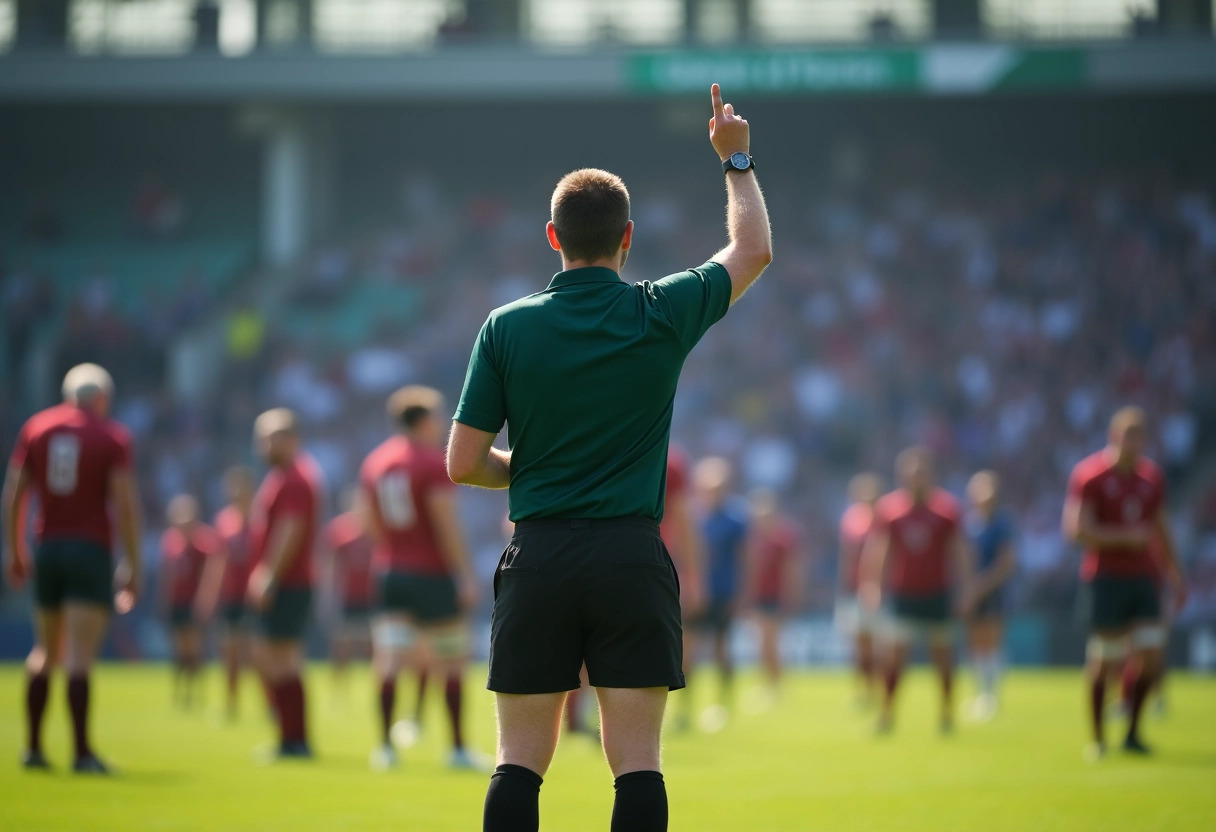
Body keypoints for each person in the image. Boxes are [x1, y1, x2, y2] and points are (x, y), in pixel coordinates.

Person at [447, 82, 771, 832]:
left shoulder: (506, 326)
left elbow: (462, 463)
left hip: (539, 554)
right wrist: (737, 158)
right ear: (627, 238)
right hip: (631, 554)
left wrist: (520, 470)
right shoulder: (659, 311)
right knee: (638, 764)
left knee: (518, 762)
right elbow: (752, 250)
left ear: (552, 237)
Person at [2, 363, 142, 773]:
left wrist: (15, 549)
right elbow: (125, 505)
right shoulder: (111, 436)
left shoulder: (37, 428)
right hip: (89, 549)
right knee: (78, 653)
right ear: (101, 398)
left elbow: (14, 494)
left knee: (43, 650)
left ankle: (32, 747)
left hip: (47, 547)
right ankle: (81, 752)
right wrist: (132, 562)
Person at [361, 386, 479, 770]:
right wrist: (464, 574)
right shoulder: (430, 463)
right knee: (452, 659)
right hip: (431, 572)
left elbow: (370, 523)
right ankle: (458, 749)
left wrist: (391, 554)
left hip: (391, 571)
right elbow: (446, 523)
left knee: (390, 659)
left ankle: (385, 748)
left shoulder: (376, 463)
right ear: (425, 420)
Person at [1062, 407, 1187, 759]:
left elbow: (1161, 528)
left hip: (1144, 577)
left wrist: (1176, 573)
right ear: (1113, 436)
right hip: (1105, 579)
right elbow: (1075, 530)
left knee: (1149, 655)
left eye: (1140, 435)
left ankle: (1133, 732)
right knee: (1105, 659)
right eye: (1127, 434)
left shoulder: (1151, 478)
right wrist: (1124, 538)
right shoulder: (1090, 475)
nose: (1134, 441)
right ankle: (1098, 738)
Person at [860, 448, 972, 735]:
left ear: (930, 474)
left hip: (937, 593)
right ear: (902, 476)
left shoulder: (947, 509)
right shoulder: (890, 510)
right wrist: (873, 586)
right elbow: (880, 551)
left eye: (920, 472)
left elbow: (960, 552)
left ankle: (946, 715)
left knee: (943, 657)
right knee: (894, 657)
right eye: (910, 473)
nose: (915, 478)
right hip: (903, 594)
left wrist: (965, 589)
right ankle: (887, 714)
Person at [246, 408, 324, 759]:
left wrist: (268, 575)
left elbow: (289, 530)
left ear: (292, 439)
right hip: (289, 581)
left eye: (271, 436)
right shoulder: (285, 476)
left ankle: (295, 740)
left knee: (283, 659)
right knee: (275, 658)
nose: (263, 444)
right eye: (260, 437)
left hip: (290, 582)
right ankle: (291, 738)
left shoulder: (294, 478)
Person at [690, 457, 749, 728]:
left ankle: (724, 704)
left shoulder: (736, 520)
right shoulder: (692, 516)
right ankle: (684, 708)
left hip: (723, 592)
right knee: (684, 651)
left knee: (721, 649)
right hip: (693, 593)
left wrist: (741, 594)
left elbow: (745, 559)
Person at [197, 466, 258, 718]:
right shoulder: (224, 522)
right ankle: (231, 703)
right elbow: (216, 562)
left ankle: (270, 704)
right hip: (230, 597)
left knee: (257, 654)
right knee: (229, 652)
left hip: (253, 597)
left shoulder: (260, 519)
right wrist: (208, 595)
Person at [963, 470, 1017, 722]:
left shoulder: (1002, 523)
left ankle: (992, 696)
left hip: (992, 591)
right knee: (976, 644)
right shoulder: (969, 523)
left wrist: (979, 587)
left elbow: (1006, 564)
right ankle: (981, 695)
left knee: (992, 642)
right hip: (972, 591)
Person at [160, 494, 219, 709]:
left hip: (193, 603)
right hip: (177, 602)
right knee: (179, 650)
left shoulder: (204, 543)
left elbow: (210, 575)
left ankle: (196, 694)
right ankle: (179, 693)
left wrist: (205, 600)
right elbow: (168, 575)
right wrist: (165, 599)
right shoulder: (171, 541)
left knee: (194, 650)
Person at [660, 446, 704, 733]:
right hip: (650, 563)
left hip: (660, 564)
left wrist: (692, 575)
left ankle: (684, 708)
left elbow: (684, 521)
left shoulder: (670, 462)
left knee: (681, 644)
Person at [743, 490, 803, 697]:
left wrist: (790, 596)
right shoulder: (753, 538)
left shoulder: (782, 539)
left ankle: (775, 685)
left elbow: (792, 570)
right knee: (761, 644)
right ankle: (768, 684)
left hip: (775, 596)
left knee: (770, 643)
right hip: (757, 596)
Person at [321, 486, 374, 695]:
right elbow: (331, 565)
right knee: (341, 643)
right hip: (347, 595)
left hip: (369, 596)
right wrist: (329, 593)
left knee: (370, 643)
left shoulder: (373, 529)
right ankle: (339, 686)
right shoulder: (339, 530)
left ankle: (373, 684)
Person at [835, 472, 883, 705]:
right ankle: (864, 690)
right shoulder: (851, 519)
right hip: (854, 589)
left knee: (880, 645)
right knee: (859, 645)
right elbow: (847, 557)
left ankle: (882, 690)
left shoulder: (885, 520)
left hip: (879, 591)